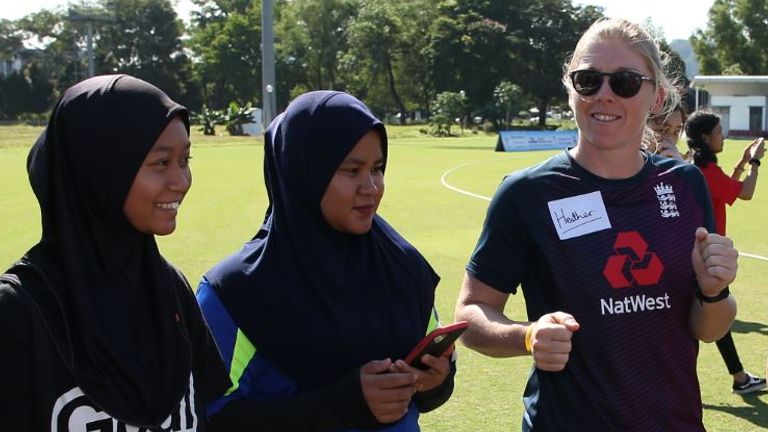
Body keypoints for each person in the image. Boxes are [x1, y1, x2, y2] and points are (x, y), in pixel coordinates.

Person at [454, 18, 738, 431]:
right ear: (571, 89)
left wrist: (713, 292)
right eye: (588, 80)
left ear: (657, 95)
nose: (603, 95)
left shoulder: (684, 184)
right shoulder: (527, 194)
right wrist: (527, 336)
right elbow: (471, 313)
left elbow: (708, 329)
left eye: (624, 82)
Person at [197, 90, 455, 431]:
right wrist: (343, 404)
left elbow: (426, 391)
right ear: (303, 172)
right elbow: (211, 418)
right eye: (351, 170)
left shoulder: (403, 266)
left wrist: (435, 382)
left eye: (377, 168)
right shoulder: (235, 291)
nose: (371, 187)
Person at [0, 75, 230, 430]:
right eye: (160, 163)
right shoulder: (20, 312)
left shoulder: (168, 289)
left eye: (185, 160)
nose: (181, 181)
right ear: (100, 169)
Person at [685, 109, 766, 394]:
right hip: (706, 259)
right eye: (719, 132)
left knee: (715, 318)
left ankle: (740, 377)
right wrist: (756, 162)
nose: (724, 136)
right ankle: (740, 378)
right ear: (706, 138)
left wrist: (742, 161)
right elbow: (744, 193)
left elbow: (727, 191)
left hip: (700, 255)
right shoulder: (706, 171)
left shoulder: (697, 167)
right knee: (712, 317)